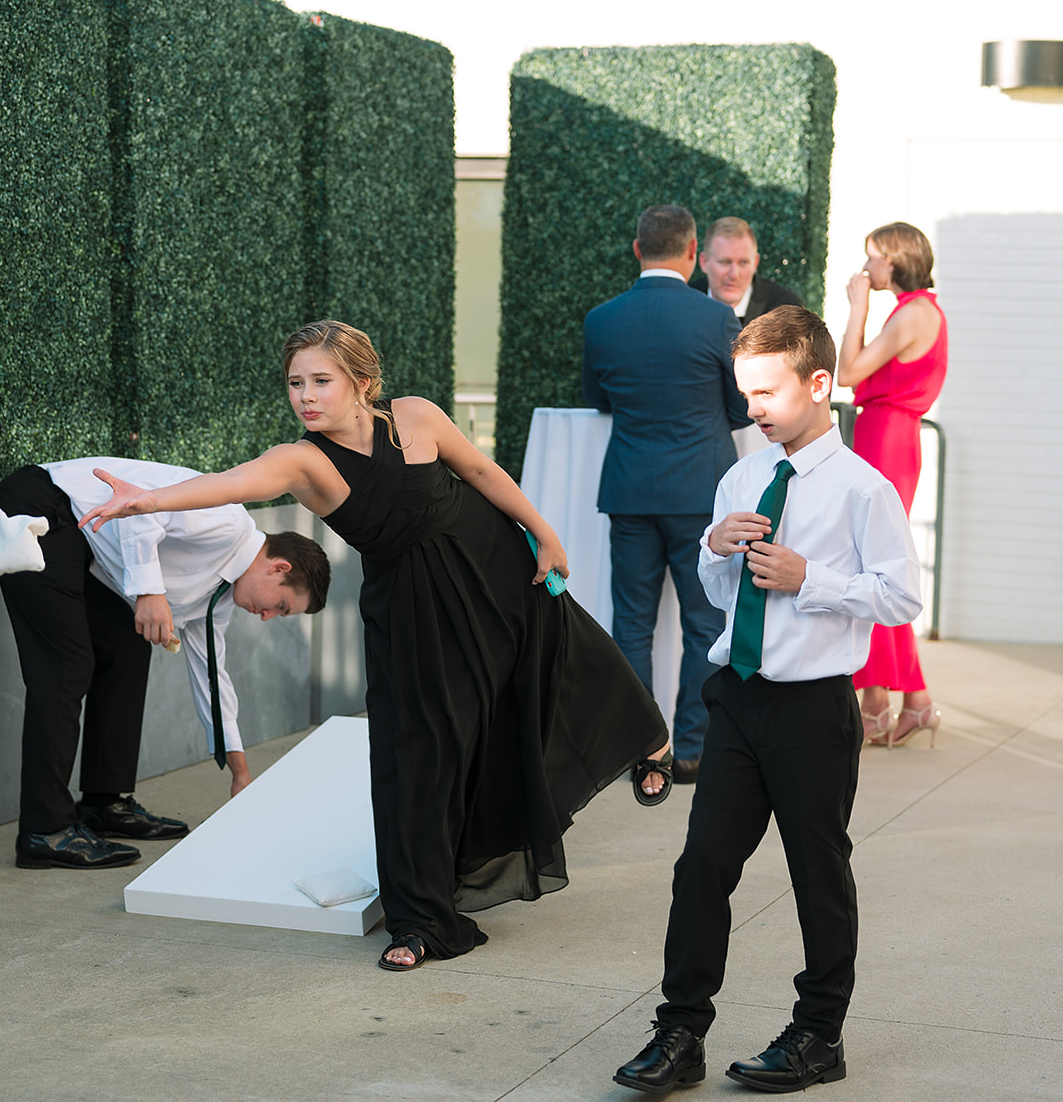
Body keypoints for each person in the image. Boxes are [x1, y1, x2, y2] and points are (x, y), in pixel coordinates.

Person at [81, 321, 670, 971]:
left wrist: (544, 532)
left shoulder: (416, 416)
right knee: (417, 753)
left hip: (490, 563)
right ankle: (420, 920)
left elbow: (478, 470)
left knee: (562, 652)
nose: (305, 395)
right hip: (413, 612)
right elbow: (237, 480)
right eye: (295, 383)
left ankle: (647, 737)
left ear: (363, 384)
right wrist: (148, 502)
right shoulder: (307, 460)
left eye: (320, 381)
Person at [613, 307, 921, 1096]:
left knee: (817, 872)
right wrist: (714, 550)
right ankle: (680, 1033)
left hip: (813, 711)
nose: (750, 406)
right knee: (702, 867)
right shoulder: (743, 475)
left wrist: (808, 579)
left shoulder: (863, 489)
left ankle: (819, 1035)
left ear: (820, 385)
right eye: (744, 389)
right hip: (739, 702)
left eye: (767, 391)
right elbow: (719, 594)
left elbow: (899, 598)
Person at [0, 458, 330, 871]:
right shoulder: (227, 521)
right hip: (39, 507)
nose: (268, 616)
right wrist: (149, 592)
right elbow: (136, 512)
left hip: (81, 541)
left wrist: (240, 773)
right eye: (281, 606)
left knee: (129, 647)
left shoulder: (216, 599)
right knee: (67, 666)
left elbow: (212, 677)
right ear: (279, 567)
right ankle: (45, 831)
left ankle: (104, 803)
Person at [583, 205, 750, 785]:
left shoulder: (602, 320)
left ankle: (641, 748)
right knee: (704, 622)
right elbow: (738, 407)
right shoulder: (717, 317)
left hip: (629, 488)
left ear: (637, 250)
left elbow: (599, 400)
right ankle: (693, 752)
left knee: (631, 624)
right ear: (691, 251)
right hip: (701, 490)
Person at [837, 222, 948, 748]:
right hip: (891, 436)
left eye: (873, 258)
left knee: (878, 567)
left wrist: (856, 307)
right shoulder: (922, 310)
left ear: (896, 261)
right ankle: (908, 701)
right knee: (880, 564)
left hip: (887, 438)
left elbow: (848, 372)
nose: (866, 268)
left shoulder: (911, 314)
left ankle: (878, 702)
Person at [696, 216, 805, 326]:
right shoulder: (682, 304)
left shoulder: (785, 312)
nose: (734, 274)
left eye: (743, 263)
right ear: (704, 262)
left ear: (755, 263)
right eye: (725, 262)